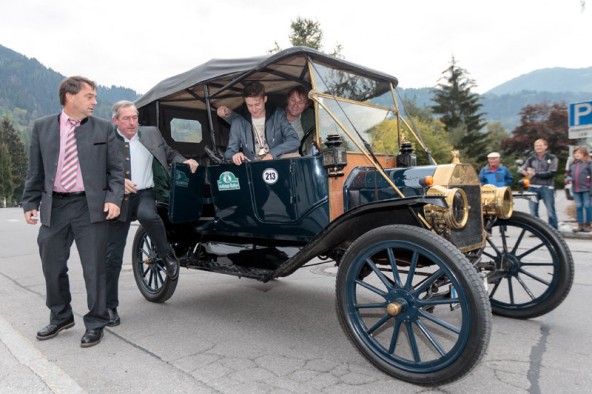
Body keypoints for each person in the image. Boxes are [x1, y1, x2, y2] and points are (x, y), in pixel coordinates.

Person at [21, 76, 124, 348]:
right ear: (70, 96)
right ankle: (61, 315)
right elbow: (36, 170)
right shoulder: (43, 127)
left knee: (95, 269)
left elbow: (116, 171)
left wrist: (114, 198)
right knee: (52, 265)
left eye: (95, 97)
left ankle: (96, 321)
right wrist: (30, 202)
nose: (95, 101)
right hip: (54, 206)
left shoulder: (103, 128)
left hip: (89, 207)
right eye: (89, 96)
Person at [105, 100, 198, 326]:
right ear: (115, 120)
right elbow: (96, 169)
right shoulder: (106, 140)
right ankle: (109, 307)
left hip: (145, 193)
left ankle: (167, 257)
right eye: (126, 118)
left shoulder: (151, 133)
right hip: (118, 199)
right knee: (112, 256)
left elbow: (168, 152)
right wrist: (116, 182)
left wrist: (184, 160)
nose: (132, 122)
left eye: (135, 117)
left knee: (149, 216)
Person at [223, 81, 300, 165]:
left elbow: (294, 140)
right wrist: (235, 155)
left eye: (257, 104)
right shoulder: (238, 122)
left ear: (265, 99)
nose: (254, 109)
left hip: (277, 162)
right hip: (252, 166)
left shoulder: (278, 115)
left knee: (296, 156)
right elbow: (229, 152)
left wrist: (272, 154)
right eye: (249, 105)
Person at [218, 85, 315, 142]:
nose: (295, 105)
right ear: (287, 100)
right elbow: (246, 123)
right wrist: (228, 114)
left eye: (301, 102)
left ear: (306, 105)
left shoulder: (311, 118)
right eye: (293, 100)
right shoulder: (273, 114)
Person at [519, 138, 559, 229]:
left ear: (546, 146)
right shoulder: (531, 158)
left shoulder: (552, 158)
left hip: (547, 187)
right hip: (532, 187)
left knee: (550, 211)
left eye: (540, 145)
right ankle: (537, 230)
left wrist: (535, 174)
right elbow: (522, 169)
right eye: (536, 145)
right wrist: (523, 172)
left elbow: (552, 172)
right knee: (533, 211)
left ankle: (554, 230)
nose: (538, 147)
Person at [566, 146, 592, 232]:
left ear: (584, 154)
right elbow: (568, 175)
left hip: (586, 189)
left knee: (587, 206)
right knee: (578, 206)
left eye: (579, 153)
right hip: (576, 189)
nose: (577, 154)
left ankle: (588, 225)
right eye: (575, 153)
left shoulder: (589, 163)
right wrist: (569, 179)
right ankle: (580, 225)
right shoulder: (572, 164)